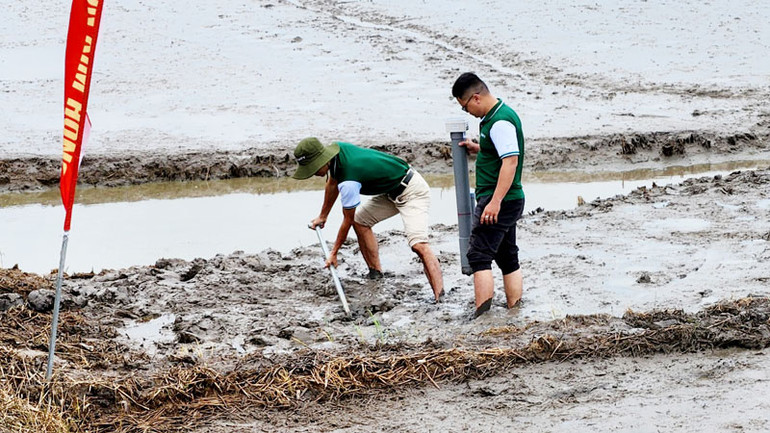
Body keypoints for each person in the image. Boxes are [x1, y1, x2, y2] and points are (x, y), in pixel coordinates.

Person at [292, 137, 444, 302]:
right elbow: (331, 183)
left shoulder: (349, 180)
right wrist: (323, 215)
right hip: (390, 191)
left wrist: (334, 253)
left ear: (322, 159)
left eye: (313, 168)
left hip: (412, 191)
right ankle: (375, 273)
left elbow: (347, 220)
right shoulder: (336, 152)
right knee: (361, 221)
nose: (313, 173)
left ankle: (440, 298)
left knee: (418, 245)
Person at [451, 72, 525, 318]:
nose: (467, 113)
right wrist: (480, 149)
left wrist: (494, 202)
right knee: (507, 256)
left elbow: (510, 161)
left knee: (478, 255)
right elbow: (500, 151)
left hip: (499, 199)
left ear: (476, 98)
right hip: (508, 199)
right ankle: (515, 309)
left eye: (465, 107)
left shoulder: (500, 122)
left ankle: (482, 317)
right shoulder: (497, 117)